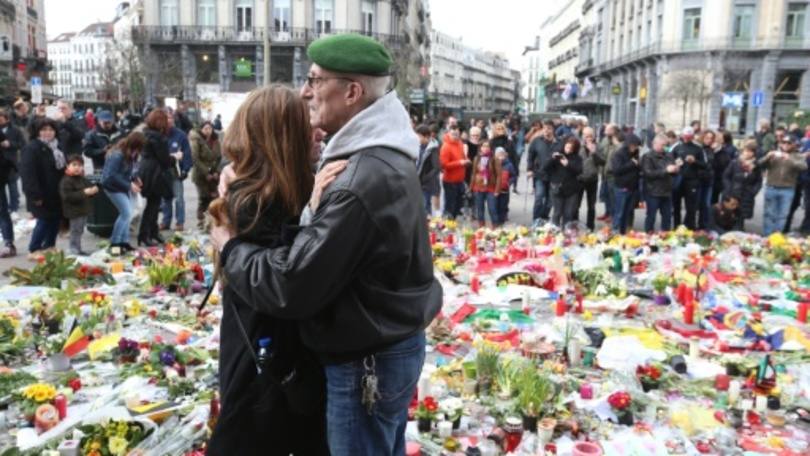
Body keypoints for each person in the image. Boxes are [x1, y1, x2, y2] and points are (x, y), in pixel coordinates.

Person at [212, 34, 442, 455]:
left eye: (316, 80)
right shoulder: (381, 154)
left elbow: (290, 284)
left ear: (351, 92)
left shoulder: (356, 178)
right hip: (382, 346)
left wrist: (230, 247)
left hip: (365, 359)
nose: (306, 91)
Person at [205, 85, 329, 456]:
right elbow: (288, 275)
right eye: (307, 123)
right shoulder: (258, 200)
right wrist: (314, 212)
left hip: (268, 350)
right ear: (284, 136)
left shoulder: (274, 187)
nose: (319, 130)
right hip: (263, 353)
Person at [20, 118, 66, 258]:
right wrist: (35, 195)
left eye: (51, 130)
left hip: (56, 191)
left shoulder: (57, 147)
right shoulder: (32, 148)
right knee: (44, 220)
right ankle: (34, 249)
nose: (48, 133)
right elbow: (28, 174)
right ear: (38, 132)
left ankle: (49, 246)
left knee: (55, 219)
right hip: (40, 192)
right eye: (44, 130)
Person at [101, 132, 144, 254]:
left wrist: (135, 178)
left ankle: (124, 242)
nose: (138, 153)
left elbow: (130, 170)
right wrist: (129, 185)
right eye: (137, 149)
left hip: (123, 186)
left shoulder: (132, 154)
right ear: (133, 146)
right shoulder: (117, 155)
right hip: (112, 187)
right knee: (126, 213)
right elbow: (111, 175)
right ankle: (115, 243)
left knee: (127, 214)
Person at [758, 136, 808, 235]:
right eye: (783, 142)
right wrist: (767, 157)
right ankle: (767, 235)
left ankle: (776, 236)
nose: (785, 145)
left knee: (782, 215)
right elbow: (759, 164)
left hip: (787, 189)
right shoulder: (774, 153)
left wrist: (789, 159)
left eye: (788, 143)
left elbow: (803, 167)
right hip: (771, 186)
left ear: (794, 144)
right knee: (769, 214)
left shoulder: (797, 155)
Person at [138, 110, 173, 246]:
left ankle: (152, 232)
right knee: (153, 206)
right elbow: (164, 160)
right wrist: (175, 158)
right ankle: (145, 234)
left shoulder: (146, 134)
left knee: (154, 204)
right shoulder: (159, 138)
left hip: (146, 171)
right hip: (155, 174)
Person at [59, 155, 98, 255]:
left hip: (83, 210)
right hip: (74, 211)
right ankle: (73, 250)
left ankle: (78, 248)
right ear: (68, 166)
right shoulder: (66, 181)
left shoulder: (81, 178)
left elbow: (90, 186)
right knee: (75, 231)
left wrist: (94, 190)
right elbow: (68, 197)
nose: (77, 167)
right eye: (74, 165)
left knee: (79, 231)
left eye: (80, 165)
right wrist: (84, 193)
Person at [160, 112, 192, 231]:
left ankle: (180, 222)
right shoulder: (159, 134)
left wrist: (185, 169)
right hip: (163, 171)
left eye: (170, 118)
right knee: (165, 198)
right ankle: (165, 221)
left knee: (179, 198)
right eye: (166, 118)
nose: (168, 121)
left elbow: (187, 153)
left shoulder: (180, 135)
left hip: (176, 171)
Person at [672, 127, 707, 230]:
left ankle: (689, 227)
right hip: (678, 179)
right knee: (676, 205)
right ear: (682, 135)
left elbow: (705, 164)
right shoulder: (676, 146)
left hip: (692, 180)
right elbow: (668, 158)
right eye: (685, 137)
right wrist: (676, 162)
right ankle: (676, 227)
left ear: (692, 137)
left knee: (691, 207)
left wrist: (694, 161)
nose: (687, 139)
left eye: (689, 137)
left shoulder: (698, 148)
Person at [641, 134, 678, 232]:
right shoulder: (647, 156)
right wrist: (666, 170)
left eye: (666, 145)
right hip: (653, 191)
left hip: (667, 191)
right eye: (662, 145)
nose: (665, 147)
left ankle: (666, 235)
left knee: (667, 216)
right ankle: (649, 234)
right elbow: (648, 174)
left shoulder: (668, 154)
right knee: (651, 216)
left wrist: (675, 170)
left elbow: (672, 170)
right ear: (655, 144)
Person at [544, 136, 584, 227]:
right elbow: (545, 168)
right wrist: (552, 158)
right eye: (567, 147)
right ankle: (555, 231)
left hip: (571, 189)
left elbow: (579, 170)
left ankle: (567, 232)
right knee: (557, 212)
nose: (568, 150)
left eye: (571, 148)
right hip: (557, 188)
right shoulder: (558, 155)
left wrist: (568, 164)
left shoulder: (577, 158)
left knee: (568, 214)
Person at [722, 142, 762, 231]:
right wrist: (728, 189)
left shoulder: (756, 165)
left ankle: (739, 231)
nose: (747, 153)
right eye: (746, 151)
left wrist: (753, 191)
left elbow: (758, 181)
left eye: (751, 151)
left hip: (747, 194)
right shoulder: (735, 163)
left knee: (741, 216)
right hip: (734, 192)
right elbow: (726, 176)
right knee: (730, 214)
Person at [190, 121, 222, 230]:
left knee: (214, 197)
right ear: (201, 129)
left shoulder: (216, 140)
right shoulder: (196, 139)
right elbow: (195, 158)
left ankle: (212, 222)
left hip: (213, 174)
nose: (208, 130)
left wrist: (216, 171)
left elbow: (219, 158)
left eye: (210, 128)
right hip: (200, 174)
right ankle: (201, 221)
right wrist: (206, 173)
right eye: (205, 128)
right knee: (203, 198)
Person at [527, 120, 560, 222]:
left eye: (549, 128)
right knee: (539, 198)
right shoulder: (536, 141)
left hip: (554, 175)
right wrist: (529, 169)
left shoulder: (559, 142)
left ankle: (544, 217)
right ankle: (536, 220)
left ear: (553, 130)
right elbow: (530, 156)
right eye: (545, 128)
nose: (546, 130)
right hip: (539, 174)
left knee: (550, 201)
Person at [470, 141, 501, 227]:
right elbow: (473, 173)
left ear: (490, 148)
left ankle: (495, 227)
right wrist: (471, 187)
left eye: (487, 146)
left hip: (491, 187)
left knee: (492, 209)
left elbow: (499, 176)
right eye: (483, 146)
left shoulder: (494, 159)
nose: (485, 148)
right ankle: (481, 227)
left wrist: (497, 190)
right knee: (480, 209)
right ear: (480, 148)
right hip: (478, 187)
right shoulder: (477, 158)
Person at [440, 124, 468, 219]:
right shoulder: (446, 146)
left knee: (458, 206)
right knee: (450, 207)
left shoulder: (459, 143)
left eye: (457, 134)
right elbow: (444, 165)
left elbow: (462, 157)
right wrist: (460, 163)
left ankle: (453, 223)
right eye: (453, 134)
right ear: (448, 133)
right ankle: (448, 227)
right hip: (450, 181)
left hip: (460, 180)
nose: (455, 136)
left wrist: (466, 160)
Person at [579, 127, 604, 230]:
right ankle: (574, 226)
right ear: (582, 136)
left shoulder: (598, 147)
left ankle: (590, 227)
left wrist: (594, 152)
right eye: (586, 136)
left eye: (590, 136)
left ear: (594, 136)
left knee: (591, 206)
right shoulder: (578, 146)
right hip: (579, 179)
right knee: (576, 205)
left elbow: (602, 161)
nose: (588, 138)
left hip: (592, 179)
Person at [0, 110, 23, 216]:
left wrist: (10, 144)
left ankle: (14, 206)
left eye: (1, 118)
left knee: (12, 185)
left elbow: (22, 144)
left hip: (11, 162)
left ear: (7, 119)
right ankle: (3, 206)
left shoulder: (15, 130)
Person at [415, 124, 440, 214]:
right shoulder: (418, 147)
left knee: (425, 206)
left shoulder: (432, 149)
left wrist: (424, 178)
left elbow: (436, 168)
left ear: (426, 136)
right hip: (417, 181)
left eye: (419, 136)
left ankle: (426, 226)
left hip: (426, 184)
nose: (417, 138)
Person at [598, 124, 620, 222]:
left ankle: (612, 214)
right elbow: (601, 152)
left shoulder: (618, 140)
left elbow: (620, 153)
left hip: (613, 173)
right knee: (605, 194)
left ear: (613, 131)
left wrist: (617, 144)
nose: (604, 131)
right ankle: (607, 213)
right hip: (604, 171)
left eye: (607, 129)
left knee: (612, 196)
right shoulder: (605, 140)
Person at [490, 122, 518, 193]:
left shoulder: (509, 142)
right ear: (495, 130)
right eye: (498, 129)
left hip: (507, 170)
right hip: (494, 169)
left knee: (504, 197)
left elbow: (514, 157)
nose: (500, 130)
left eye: (502, 128)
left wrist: (516, 170)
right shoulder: (491, 142)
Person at [711, 131, 736, 204]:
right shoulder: (715, 146)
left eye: (720, 137)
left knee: (725, 199)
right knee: (713, 199)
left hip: (726, 176)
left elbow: (732, 162)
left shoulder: (731, 149)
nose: (717, 138)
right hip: (716, 176)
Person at [697, 130, 716, 230]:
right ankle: (695, 224)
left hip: (709, 180)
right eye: (707, 138)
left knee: (706, 204)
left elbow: (713, 164)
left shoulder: (712, 150)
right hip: (699, 179)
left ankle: (703, 225)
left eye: (711, 139)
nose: (709, 140)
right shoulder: (699, 148)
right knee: (698, 204)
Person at [495, 147, 516, 225]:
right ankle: (496, 222)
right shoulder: (493, 164)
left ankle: (501, 222)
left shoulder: (509, 165)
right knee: (494, 206)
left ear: (505, 155)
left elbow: (513, 176)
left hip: (505, 190)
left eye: (502, 155)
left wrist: (509, 182)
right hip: (495, 190)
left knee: (503, 206)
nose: (500, 157)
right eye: (498, 155)